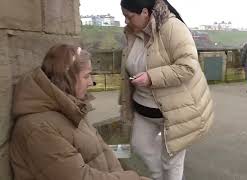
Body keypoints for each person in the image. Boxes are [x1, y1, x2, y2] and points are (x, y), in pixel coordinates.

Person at [10, 44, 150, 180]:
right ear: (67, 78)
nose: (91, 82)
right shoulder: (37, 129)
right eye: (86, 76)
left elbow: (103, 150)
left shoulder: (70, 109)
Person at [119, 0, 214, 179]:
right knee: (139, 145)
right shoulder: (132, 32)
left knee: (171, 161)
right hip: (143, 110)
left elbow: (187, 67)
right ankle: (158, 176)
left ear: (145, 12)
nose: (126, 21)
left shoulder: (173, 28)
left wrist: (150, 77)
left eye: (129, 16)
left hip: (175, 113)